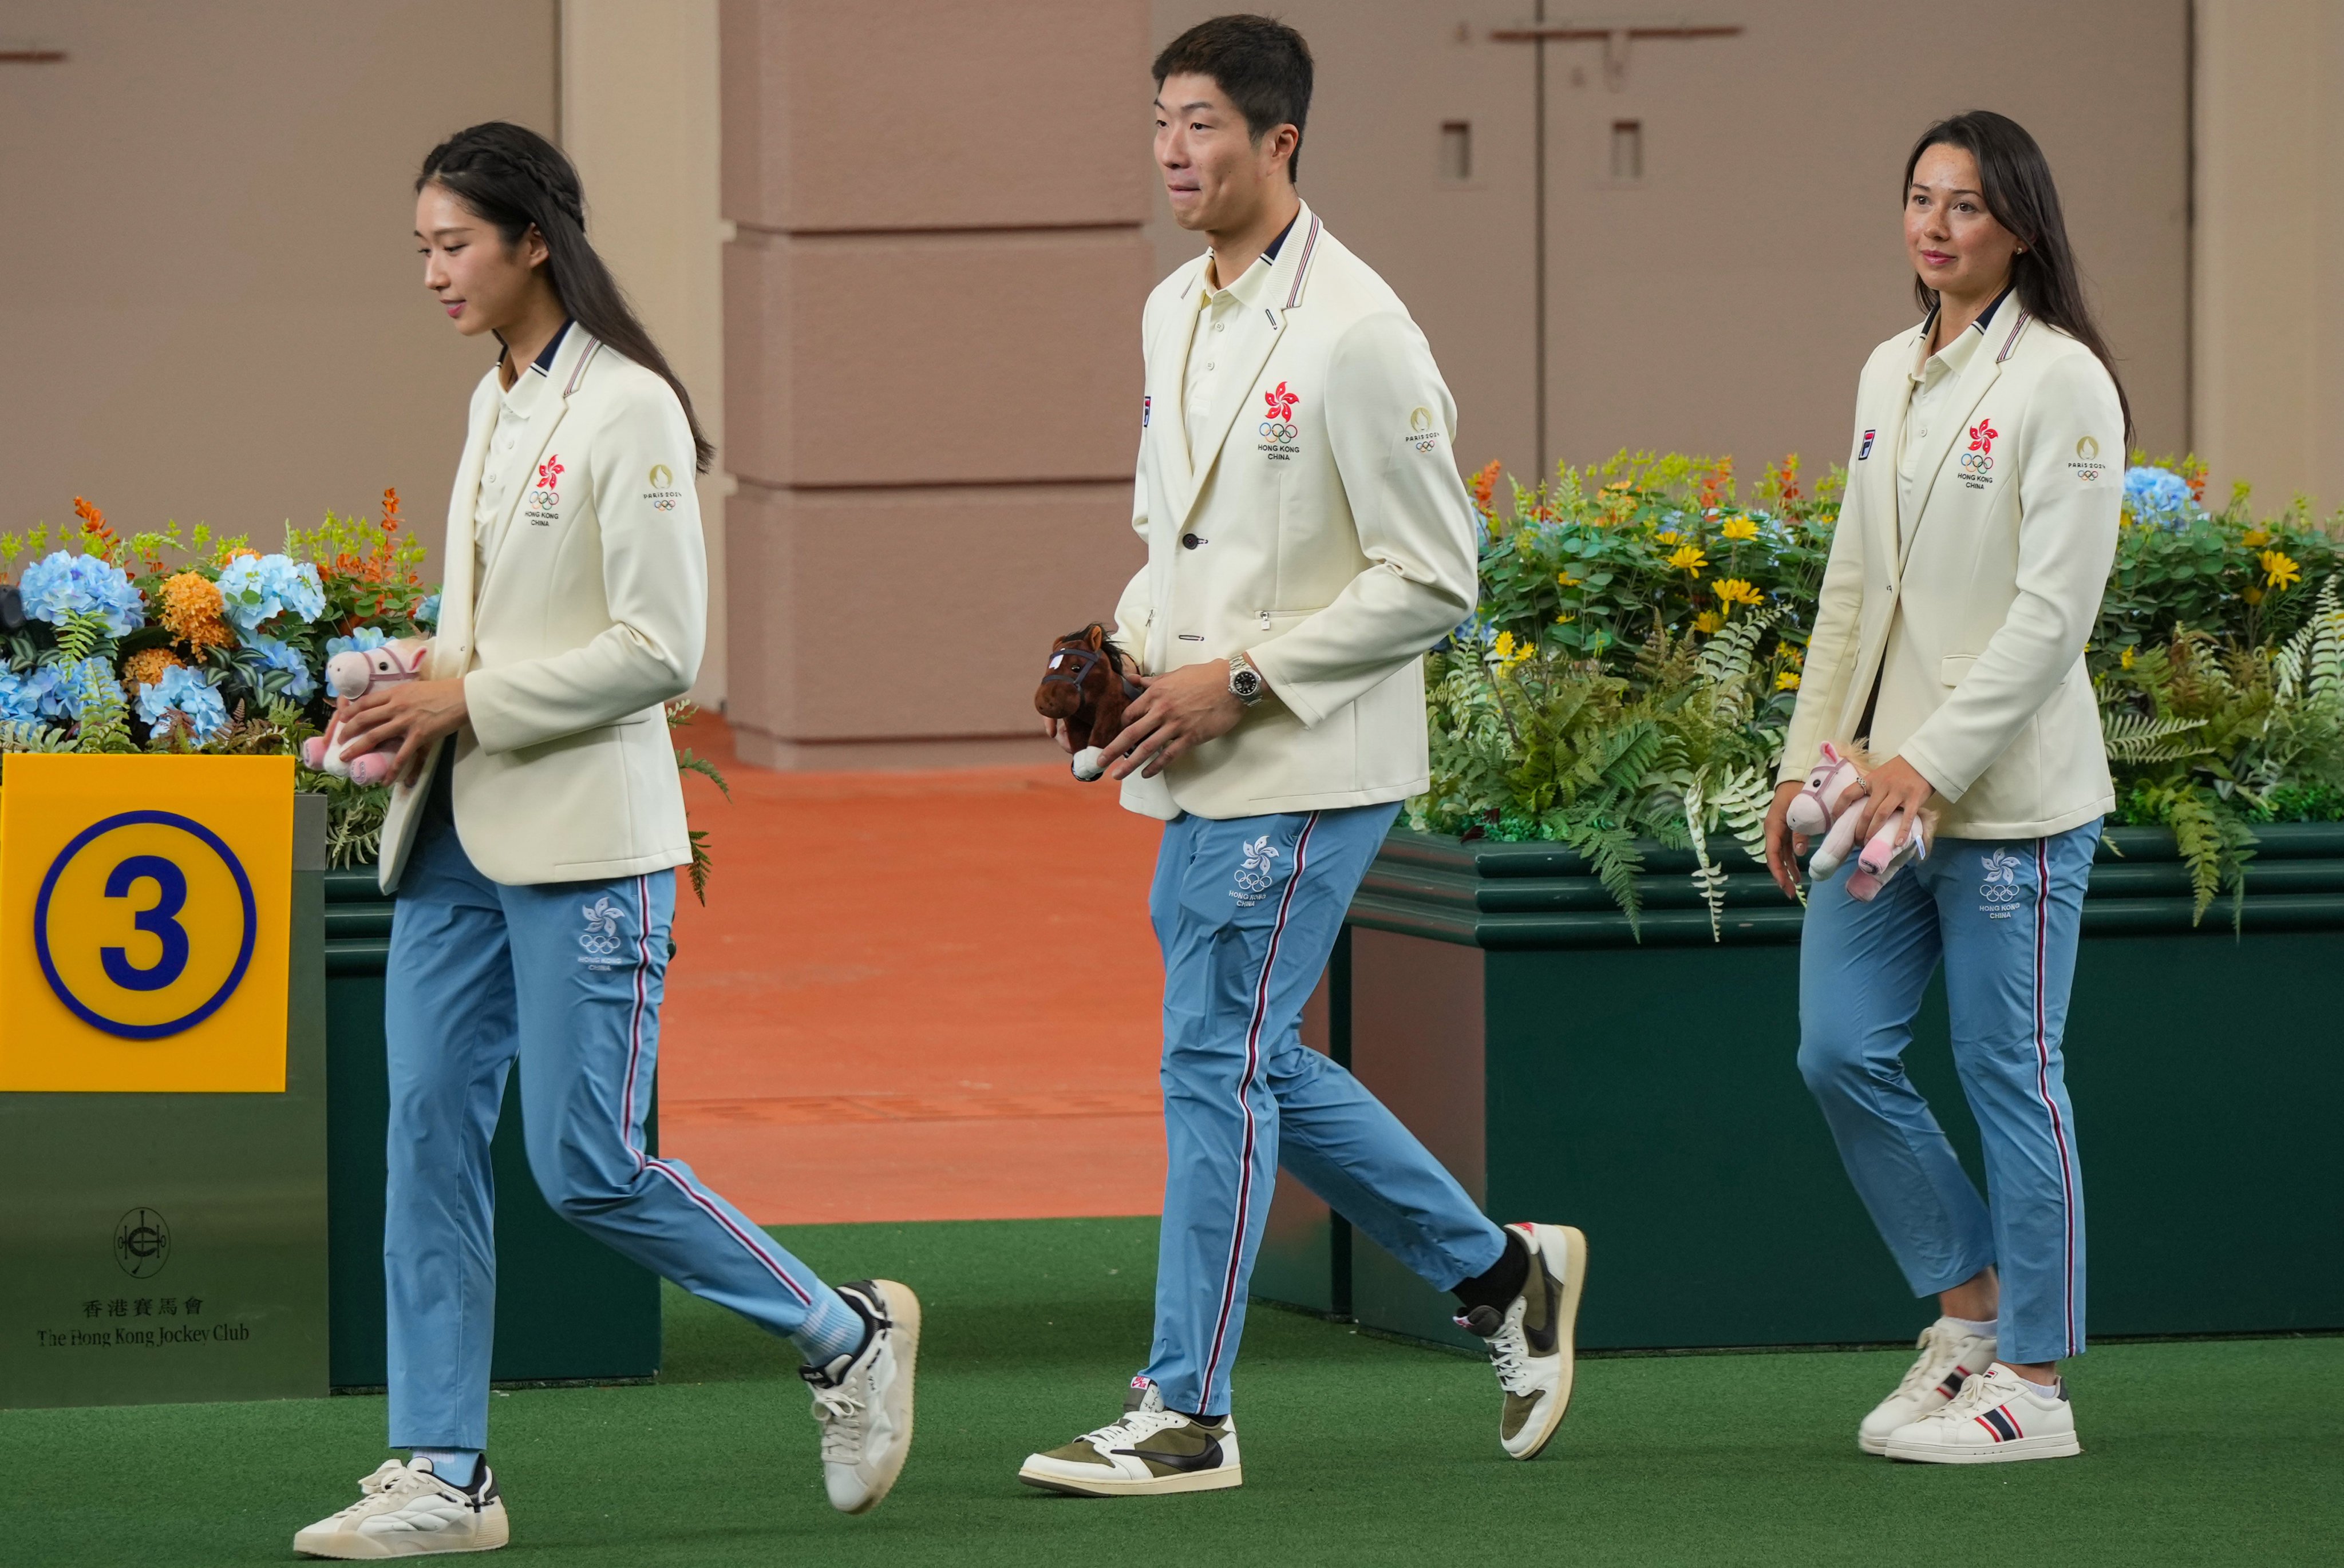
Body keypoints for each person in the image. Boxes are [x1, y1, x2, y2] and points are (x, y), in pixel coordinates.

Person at [291, 124, 918, 1558]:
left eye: (453, 244)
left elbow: (661, 650)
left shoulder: (628, 407)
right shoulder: (491, 398)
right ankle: (444, 1468)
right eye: (422, 249)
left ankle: (843, 1333)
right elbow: (498, 628)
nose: (434, 272)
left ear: (531, 240)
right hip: (451, 830)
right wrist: (411, 681)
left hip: (585, 843)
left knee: (588, 1163)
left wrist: (469, 696)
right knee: (428, 1141)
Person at [1017, 17, 1586, 1498]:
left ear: (1280, 142)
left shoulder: (1360, 330)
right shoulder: (1171, 309)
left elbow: (1436, 574)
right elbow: (1178, 537)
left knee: (1214, 1056)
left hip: (1311, 752)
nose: (1172, 152)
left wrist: (1242, 679)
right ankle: (1500, 1274)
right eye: (1159, 120)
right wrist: (1124, 650)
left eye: (1202, 123)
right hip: (1200, 744)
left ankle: (1185, 1407)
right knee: (1250, 1048)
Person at [1763, 110, 2127, 1465]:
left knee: (2009, 1075)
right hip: (1879, 799)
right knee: (1835, 1047)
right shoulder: (1884, 368)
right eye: (1918, 199)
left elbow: (2052, 614)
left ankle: (2032, 1383)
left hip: (2007, 798)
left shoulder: (2061, 383)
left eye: (1963, 206)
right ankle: (1968, 1309)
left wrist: (1928, 759)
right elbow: (1852, 586)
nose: (1933, 225)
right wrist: (1806, 762)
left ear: (2018, 226)